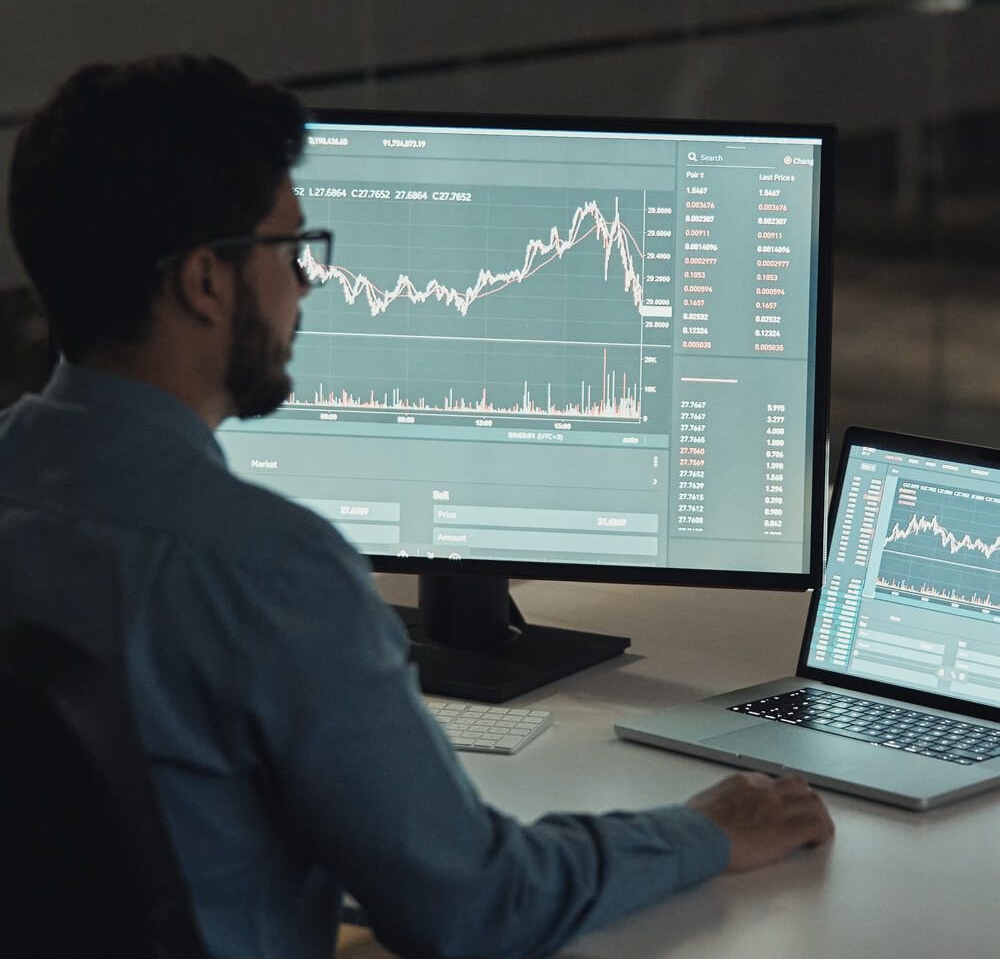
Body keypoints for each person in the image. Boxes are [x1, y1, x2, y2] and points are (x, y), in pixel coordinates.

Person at [0, 55, 833, 959]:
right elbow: (475, 907)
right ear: (206, 282)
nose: (308, 283)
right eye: (292, 249)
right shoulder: (266, 567)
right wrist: (703, 831)